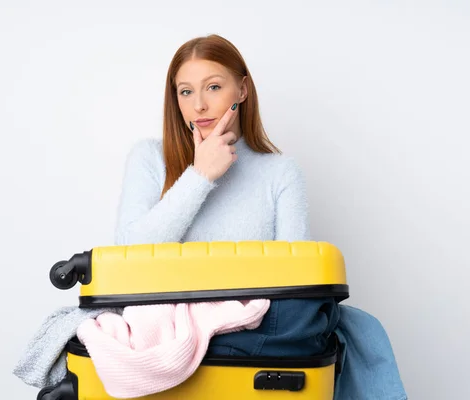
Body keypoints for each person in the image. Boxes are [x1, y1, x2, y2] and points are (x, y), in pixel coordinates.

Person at [113, 34, 407, 400]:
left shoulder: (280, 171)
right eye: (185, 92)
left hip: (260, 329)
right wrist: (200, 176)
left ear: (242, 90)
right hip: (171, 330)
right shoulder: (149, 158)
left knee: (316, 314)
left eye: (214, 87)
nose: (199, 105)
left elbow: (296, 286)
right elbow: (125, 260)